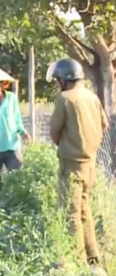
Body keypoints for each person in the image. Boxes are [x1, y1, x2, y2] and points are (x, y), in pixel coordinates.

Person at [47, 58, 108, 273]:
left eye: (57, 80)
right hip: (89, 164)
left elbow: (54, 132)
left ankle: (78, 262)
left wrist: (67, 144)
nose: (56, 84)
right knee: (84, 211)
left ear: (64, 80)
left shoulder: (64, 99)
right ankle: (94, 259)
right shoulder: (91, 97)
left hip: (72, 165)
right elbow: (104, 124)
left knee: (71, 213)